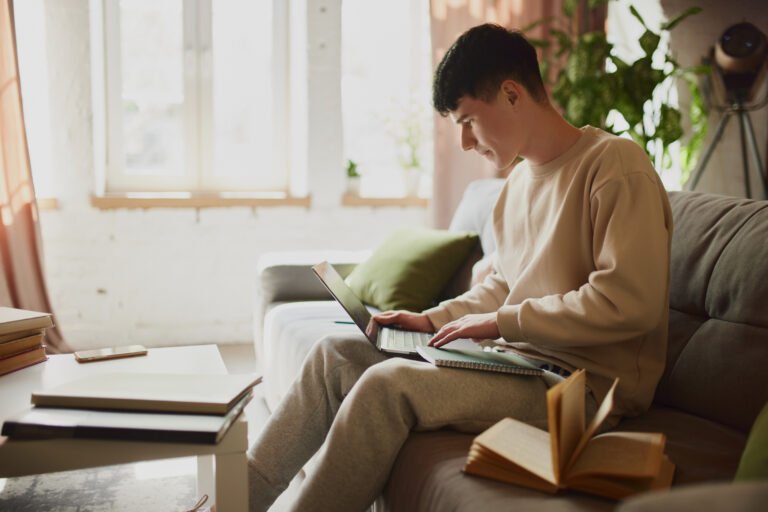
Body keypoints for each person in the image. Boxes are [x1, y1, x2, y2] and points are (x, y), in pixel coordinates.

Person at [245, 23, 672, 512]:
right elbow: (504, 285)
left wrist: (501, 322)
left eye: (468, 120)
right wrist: (432, 319)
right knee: (333, 355)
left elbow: (628, 301)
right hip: (515, 365)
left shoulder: (614, 165)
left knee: (388, 386)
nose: (466, 142)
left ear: (512, 95)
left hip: (581, 388)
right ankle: (235, 501)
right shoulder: (516, 186)